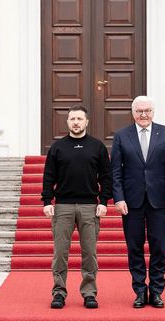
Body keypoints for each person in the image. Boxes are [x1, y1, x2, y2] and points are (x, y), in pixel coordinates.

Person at [111, 95, 165, 308]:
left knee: (159, 246)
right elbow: (115, 171)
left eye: (147, 111)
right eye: (140, 111)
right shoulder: (122, 136)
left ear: (153, 112)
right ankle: (140, 290)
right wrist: (118, 197)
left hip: (159, 200)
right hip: (131, 202)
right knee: (134, 247)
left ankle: (157, 291)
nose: (144, 115)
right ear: (133, 113)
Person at [41, 105, 112, 310]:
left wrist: (104, 202)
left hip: (90, 207)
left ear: (86, 122)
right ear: (68, 122)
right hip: (62, 206)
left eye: (80, 119)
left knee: (89, 252)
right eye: (72, 119)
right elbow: (48, 177)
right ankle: (59, 292)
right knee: (60, 253)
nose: (76, 122)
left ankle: (89, 292)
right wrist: (47, 202)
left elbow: (106, 177)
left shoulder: (97, 147)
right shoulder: (57, 147)